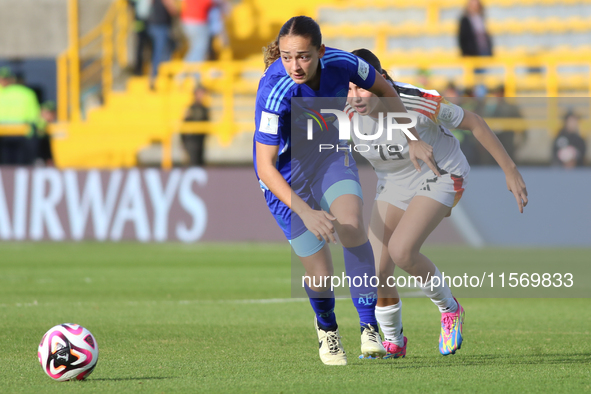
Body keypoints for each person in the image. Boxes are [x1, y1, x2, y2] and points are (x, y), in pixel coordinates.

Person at [254, 16, 440, 365]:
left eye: (304, 56)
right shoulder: (275, 89)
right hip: (284, 178)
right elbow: (265, 166)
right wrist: (306, 211)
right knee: (320, 274)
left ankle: (368, 327)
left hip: (328, 155)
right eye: (287, 56)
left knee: (352, 226)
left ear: (321, 52)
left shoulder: (344, 64)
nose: (295, 65)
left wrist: (412, 139)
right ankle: (327, 330)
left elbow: (385, 89)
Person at [346, 49, 528, 358]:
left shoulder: (417, 101)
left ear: (382, 80)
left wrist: (510, 170)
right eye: (348, 88)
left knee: (402, 251)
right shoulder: (343, 110)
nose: (355, 96)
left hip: (441, 172)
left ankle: (450, 309)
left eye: (361, 86)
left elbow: (475, 122)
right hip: (392, 183)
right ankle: (393, 342)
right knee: (377, 270)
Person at [0, 66, 41, 165]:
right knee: (20, 165)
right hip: (22, 133)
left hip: (4, 134)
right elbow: (35, 116)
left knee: (5, 165)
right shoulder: (27, 93)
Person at [147, 0, 178, 82]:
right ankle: (156, 76)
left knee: (159, 52)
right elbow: (173, 10)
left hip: (154, 25)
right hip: (160, 25)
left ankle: (155, 76)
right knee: (160, 53)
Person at [181, 85, 209, 166]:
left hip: (201, 141)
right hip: (191, 142)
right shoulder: (190, 108)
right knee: (192, 164)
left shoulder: (204, 109)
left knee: (200, 164)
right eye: (200, 93)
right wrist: (183, 143)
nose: (202, 95)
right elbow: (184, 126)